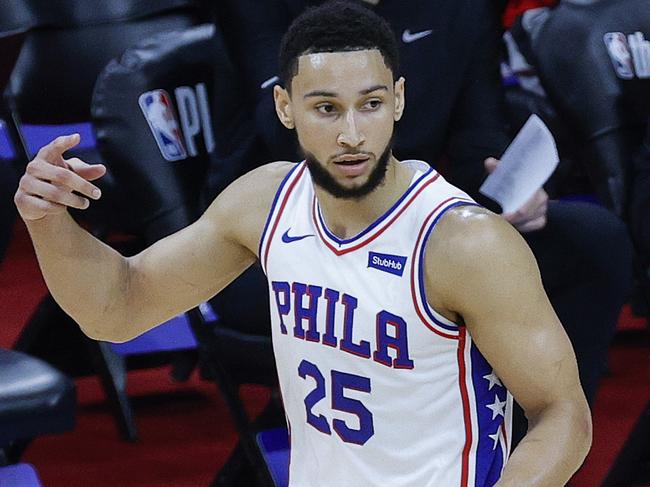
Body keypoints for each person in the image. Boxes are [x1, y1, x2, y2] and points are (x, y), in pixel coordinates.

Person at [15, 3, 591, 485]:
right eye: (325, 108)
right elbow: (115, 308)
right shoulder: (264, 201)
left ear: (398, 100)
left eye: (369, 104)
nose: (351, 134)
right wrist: (48, 222)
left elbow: (563, 413)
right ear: (284, 107)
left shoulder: (465, 243)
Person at [217, 0, 633, 411]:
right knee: (414, 280)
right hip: (288, 240)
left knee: (592, 240)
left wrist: (512, 191)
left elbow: (478, 140)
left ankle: (523, 449)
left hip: (417, 226)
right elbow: (289, 141)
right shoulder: (262, 10)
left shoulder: (462, 10)